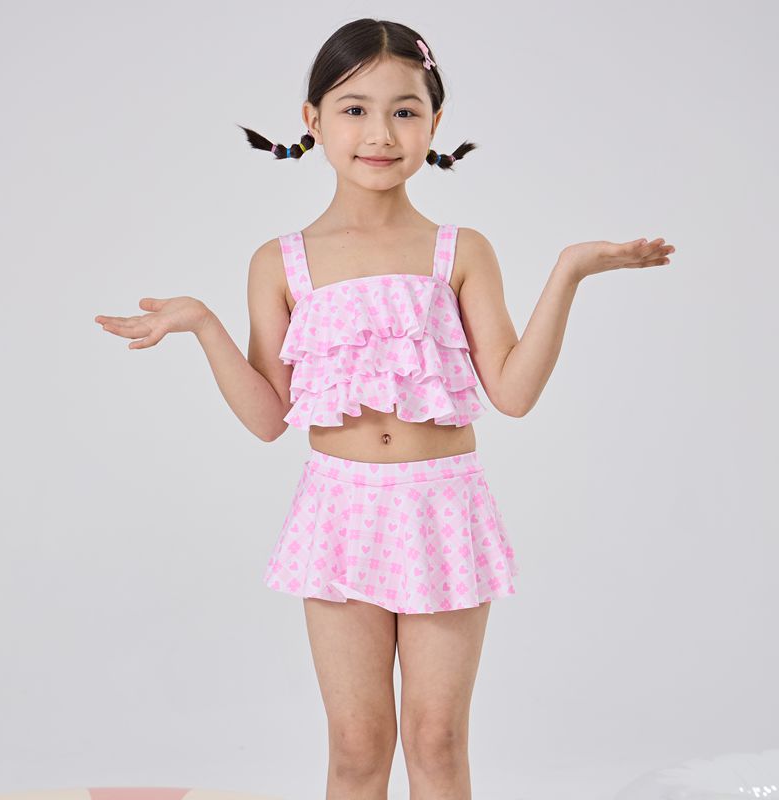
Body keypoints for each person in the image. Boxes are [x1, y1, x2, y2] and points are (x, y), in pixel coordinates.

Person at [94, 17, 675, 800]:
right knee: (357, 745)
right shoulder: (281, 262)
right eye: (354, 109)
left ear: (435, 122)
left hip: (442, 506)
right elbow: (268, 418)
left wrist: (569, 270)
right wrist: (203, 324)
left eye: (405, 110)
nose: (380, 133)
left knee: (437, 741)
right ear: (313, 120)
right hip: (340, 510)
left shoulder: (460, 250)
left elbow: (513, 392)